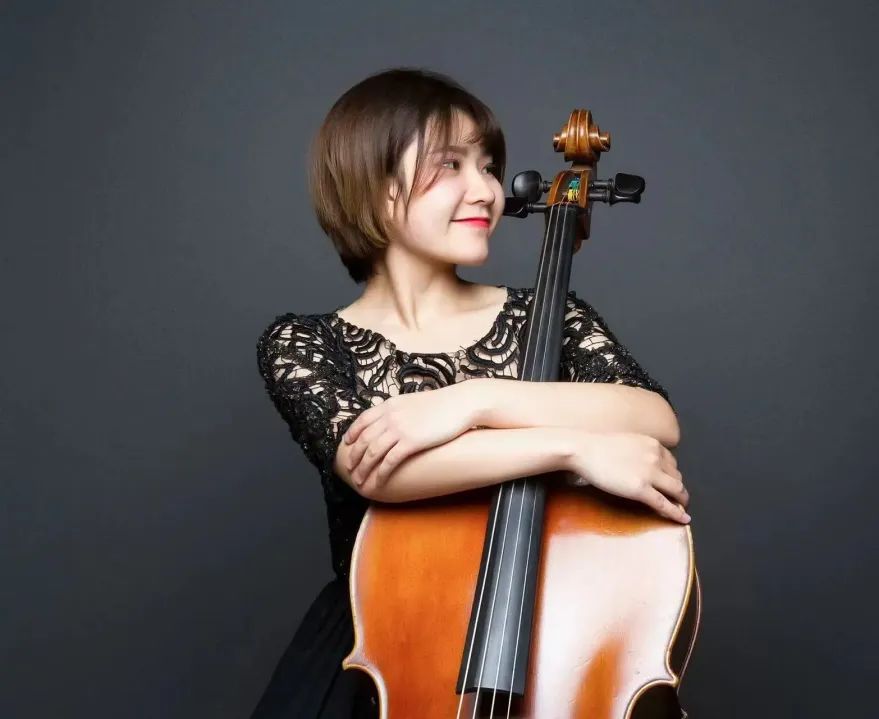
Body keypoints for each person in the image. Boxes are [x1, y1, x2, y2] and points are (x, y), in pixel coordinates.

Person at [252, 67, 689, 718]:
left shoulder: (548, 316)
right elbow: (381, 471)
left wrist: (472, 399)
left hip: (549, 644)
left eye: (488, 166)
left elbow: (653, 417)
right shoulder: (304, 343)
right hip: (387, 656)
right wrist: (574, 448)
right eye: (450, 165)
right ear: (373, 182)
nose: (486, 189)